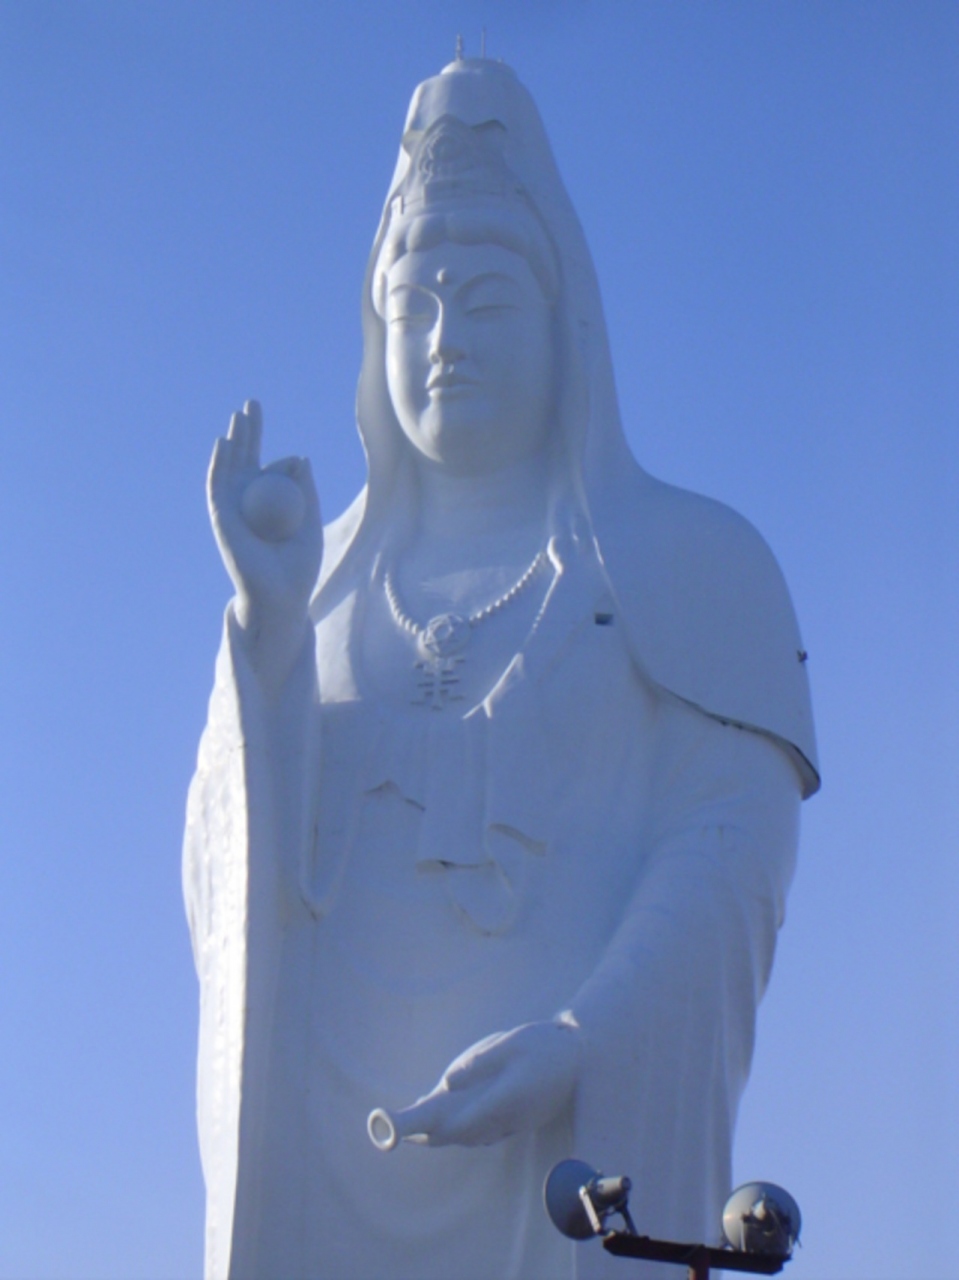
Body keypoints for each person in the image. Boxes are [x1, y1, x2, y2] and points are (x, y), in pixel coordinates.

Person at [184, 56, 818, 1280]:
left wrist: (587, 1037)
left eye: (482, 301)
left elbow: (729, 844)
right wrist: (265, 636)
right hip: (324, 1158)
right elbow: (232, 890)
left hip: (556, 1158)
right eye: (412, 307)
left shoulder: (691, 560)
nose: (443, 342)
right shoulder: (315, 587)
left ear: (562, 319)